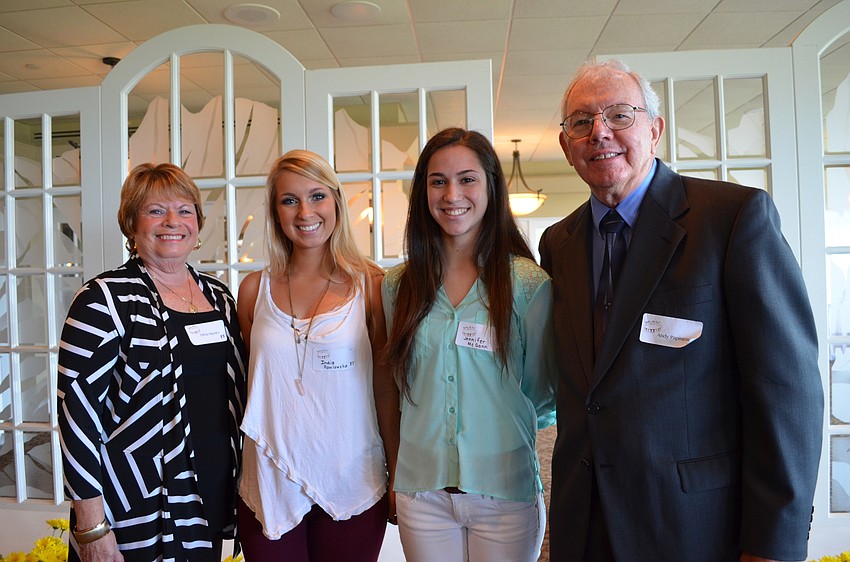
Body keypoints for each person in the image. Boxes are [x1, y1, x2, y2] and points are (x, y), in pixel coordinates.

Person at [539, 58, 824, 562]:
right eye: (581, 122)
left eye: (619, 115)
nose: (599, 132)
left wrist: (773, 545)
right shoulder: (558, 243)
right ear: (565, 145)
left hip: (696, 527)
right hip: (584, 525)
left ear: (655, 128)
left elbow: (786, 393)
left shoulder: (733, 220)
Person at [382, 127, 558, 562]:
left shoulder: (527, 285)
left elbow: (541, 394)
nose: (451, 194)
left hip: (505, 493)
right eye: (437, 181)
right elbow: (395, 386)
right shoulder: (397, 287)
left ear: (491, 187)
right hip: (422, 494)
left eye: (467, 179)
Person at [57, 163, 247, 561]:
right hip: (133, 504)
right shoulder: (105, 300)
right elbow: (77, 415)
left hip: (210, 490)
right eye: (156, 210)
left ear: (198, 222)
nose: (172, 221)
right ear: (131, 223)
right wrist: (90, 525)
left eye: (185, 209)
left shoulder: (221, 298)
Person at [236, 149, 396, 562]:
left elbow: (385, 385)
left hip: (352, 476)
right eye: (290, 200)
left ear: (336, 202)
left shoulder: (371, 284)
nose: (305, 211)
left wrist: (398, 470)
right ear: (276, 212)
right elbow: (255, 380)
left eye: (317, 196)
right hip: (270, 479)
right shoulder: (255, 290)